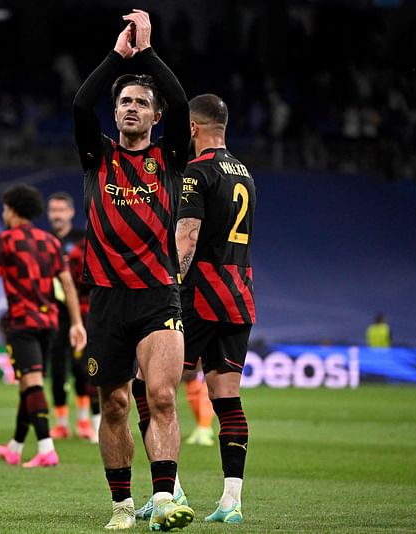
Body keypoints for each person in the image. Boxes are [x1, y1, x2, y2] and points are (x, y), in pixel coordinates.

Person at [72, 9, 194, 531]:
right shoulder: (96, 156)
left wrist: (146, 53)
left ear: (155, 117)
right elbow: (81, 102)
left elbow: (184, 101)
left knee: (161, 395)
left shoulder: (168, 159)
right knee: (117, 405)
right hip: (105, 298)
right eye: (124, 101)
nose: (130, 108)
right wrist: (118, 58)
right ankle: (122, 504)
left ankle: (164, 498)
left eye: (142, 103)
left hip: (156, 295)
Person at [0, 184, 86, 468]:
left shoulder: (5, 241)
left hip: (22, 322)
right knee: (26, 385)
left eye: (5, 209)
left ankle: (46, 448)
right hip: (50, 322)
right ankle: (15, 447)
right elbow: (67, 284)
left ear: (13, 210)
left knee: (32, 382)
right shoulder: (50, 242)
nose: (4, 213)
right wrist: (76, 322)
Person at [174, 93, 256, 524]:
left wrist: (172, 281)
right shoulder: (245, 172)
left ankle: (167, 490)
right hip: (239, 295)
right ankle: (232, 502)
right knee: (228, 400)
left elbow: (187, 237)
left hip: (199, 295)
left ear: (193, 128)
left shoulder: (196, 171)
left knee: (150, 387)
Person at [46, 191, 98, 442]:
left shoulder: (82, 241)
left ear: (70, 213)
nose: (57, 215)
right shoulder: (43, 241)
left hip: (82, 313)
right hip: (54, 314)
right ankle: (61, 423)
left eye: (61, 210)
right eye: (53, 211)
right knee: (56, 367)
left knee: (81, 368)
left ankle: (84, 420)